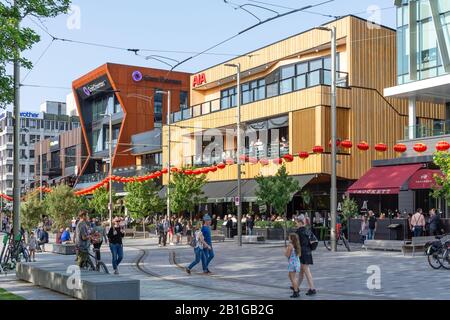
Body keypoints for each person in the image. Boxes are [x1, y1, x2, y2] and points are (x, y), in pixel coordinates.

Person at [295, 214, 316, 296]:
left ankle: (312, 288)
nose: (296, 224)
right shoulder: (307, 230)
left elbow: (295, 244)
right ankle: (296, 286)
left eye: (296, 222)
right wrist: (310, 248)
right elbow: (314, 240)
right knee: (301, 272)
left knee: (306, 271)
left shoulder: (298, 232)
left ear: (300, 222)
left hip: (302, 253)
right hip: (307, 251)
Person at [286, 233, 301, 298]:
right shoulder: (297, 245)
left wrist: (285, 251)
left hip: (292, 263)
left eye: (289, 237)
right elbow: (299, 255)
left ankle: (296, 291)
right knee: (290, 275)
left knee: (293, 277)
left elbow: (287, 255)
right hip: (297, 263)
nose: (288, 238)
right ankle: (296, 287)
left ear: (292, 239)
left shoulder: (290, 245)